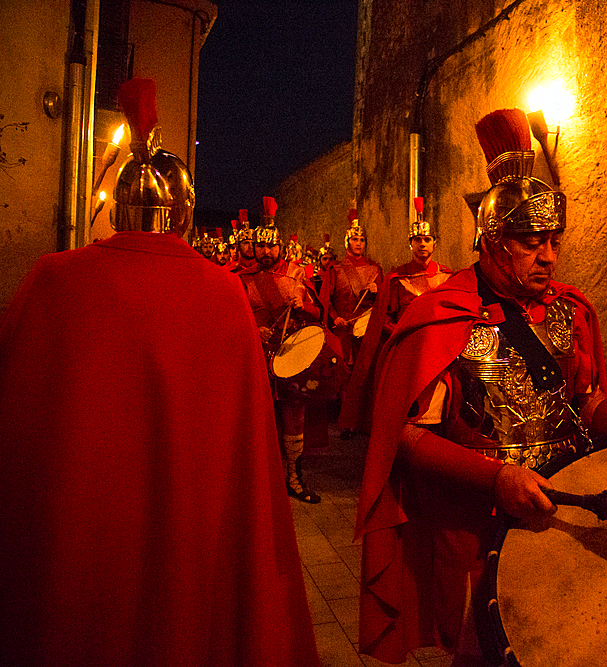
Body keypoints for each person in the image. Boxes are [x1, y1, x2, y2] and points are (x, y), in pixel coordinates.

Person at [0, 77, 318, 667]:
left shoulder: (50, 279)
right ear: (185, 210)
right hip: (189, 537)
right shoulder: (222, 292)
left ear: (115, 207)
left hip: (75, 545)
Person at [355, 108, 607, 665]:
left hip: (565, 507)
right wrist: (499, 476)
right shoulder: (444, 317)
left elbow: (590, 403)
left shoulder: (568, 312)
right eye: (533, 242)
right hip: (479, 529)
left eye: (553, 240)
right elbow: (409, 440)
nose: (550, 256)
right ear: (493, 239)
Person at [239, 197, 346, 502]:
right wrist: (252, 329)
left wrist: (303, 307)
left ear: (280, 247)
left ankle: (293, 476)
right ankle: (257, 479)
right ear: (253, 247)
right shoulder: (239, 279)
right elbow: (232, 319)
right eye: (261, 246)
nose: (266, 252)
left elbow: (316, 316)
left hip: (290, 357)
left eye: (271, 247)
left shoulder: (296, 276)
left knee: (294, 416)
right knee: (256, 419)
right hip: (256, 356)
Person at [337, 195, 452, 437]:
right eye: (417, 240)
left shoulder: (447, 277)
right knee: (406, 423)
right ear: (411, 244)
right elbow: (384, 319)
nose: (422, 244)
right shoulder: (396, 279)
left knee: (440, 417)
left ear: (434, 243)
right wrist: (403, 333)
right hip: (406, 353)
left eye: (427, 239)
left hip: (439, 356)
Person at [323, 211, 383, 367]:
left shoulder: (374, 269)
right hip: (342, 330)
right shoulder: (335, 268)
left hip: (366, 332)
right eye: (355, 239)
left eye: (362, 240)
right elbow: (325, 300)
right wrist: (335, 317)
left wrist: (378, 290)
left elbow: (384, 305)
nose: (358, 243)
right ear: (347, 242)